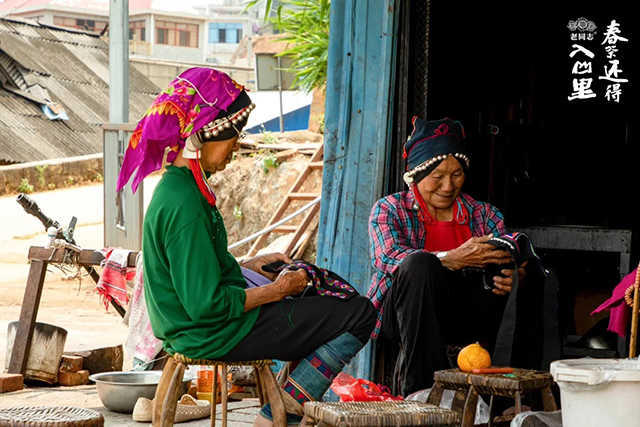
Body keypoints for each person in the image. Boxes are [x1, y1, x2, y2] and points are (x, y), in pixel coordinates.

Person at [117, 67, 376, 426]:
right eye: (233, 137)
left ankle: (286, 403)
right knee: (359, 314)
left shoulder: (180, 188)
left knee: (321, 307)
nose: (235, 148)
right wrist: (277, 290)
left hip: (198, 328)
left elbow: (198, 272)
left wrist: (250, 267)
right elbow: (207, 305)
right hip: (213, 333)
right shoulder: (184, 203)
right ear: (207, 133)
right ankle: (280, 409)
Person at [367, 117, 526, 397]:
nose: (448, 185)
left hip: (463, 313)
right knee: (419, 264)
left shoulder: (485, 214)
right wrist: (449, 258)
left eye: (457, 174)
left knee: (515, 280)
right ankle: (421, 391)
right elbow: (387, 257)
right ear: (416, 174)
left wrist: (513, 275)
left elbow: (506, 259)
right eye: (437, 176)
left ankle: (501, 394)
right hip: (404, 311)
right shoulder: (389, 209)